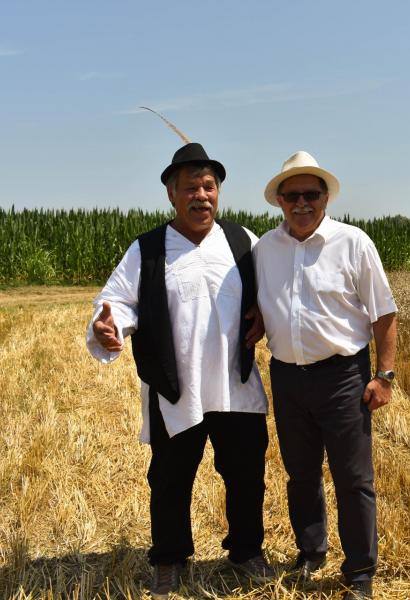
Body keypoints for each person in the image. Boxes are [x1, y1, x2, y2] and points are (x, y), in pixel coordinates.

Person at [86, 142, 272, 599]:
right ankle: (169, 559)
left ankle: (246, 550)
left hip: (235, 384)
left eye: (209, 186)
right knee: (169, 479)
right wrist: (108, 326)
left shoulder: (242, 241)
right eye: (190, 188)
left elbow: (273, 292)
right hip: (175, 388)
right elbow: (117, 301)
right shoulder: (148, 249)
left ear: (218, 192)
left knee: (246, 474)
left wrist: (265, 314)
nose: (201, 196)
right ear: (171, 194)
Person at [253, 151, 398, 600]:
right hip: (287, 377)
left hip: (342, 378)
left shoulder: (353, 243)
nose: (301, 203)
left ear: (325, 198)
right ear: (279, 200)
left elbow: (384, 312)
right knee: (300, 474)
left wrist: (384, 376)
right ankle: (311, 551)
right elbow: (259, 304)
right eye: (292, 195)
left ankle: (360, 573)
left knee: (353, 479)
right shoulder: (264, 249)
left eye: (310, 194)